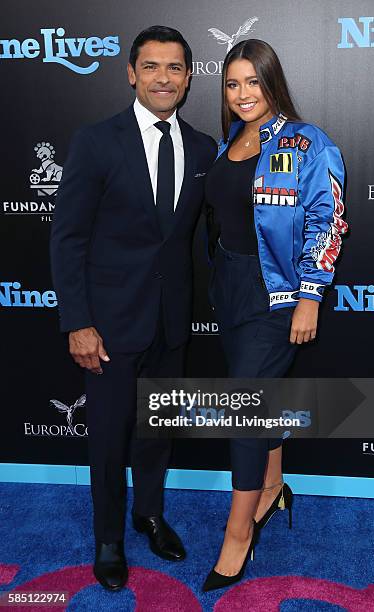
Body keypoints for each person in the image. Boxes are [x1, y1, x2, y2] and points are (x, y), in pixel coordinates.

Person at [50, 25, 217, 591]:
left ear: (189, 78)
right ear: (130, 73)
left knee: (156, 432)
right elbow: (67, 239)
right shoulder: (96, 141)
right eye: (151, 67)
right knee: (107, 439)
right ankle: (109, 540)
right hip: (110, 325)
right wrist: (77, 322)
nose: (163, 78)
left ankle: (149, 515)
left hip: (171, 321)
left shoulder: (201, 147)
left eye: (174, 68)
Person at [203, 39, 348, 591]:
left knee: (243, 407)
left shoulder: (306, 142)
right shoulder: (231, 141)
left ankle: (238, 534)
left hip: (280, 295)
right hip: (230, 290)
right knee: (261, 400)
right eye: (233, 83)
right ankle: (272, 485)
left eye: (253, 82)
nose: (243, 94)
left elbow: (328, 217)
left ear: (272, 82)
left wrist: (311, 293)